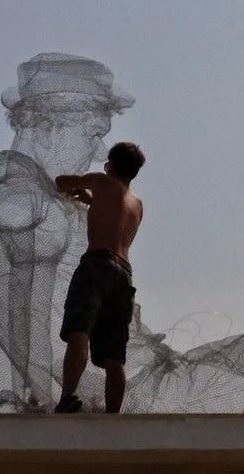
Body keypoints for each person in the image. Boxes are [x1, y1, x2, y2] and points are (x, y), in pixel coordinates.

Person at [53, 142, 145, 413]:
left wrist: (82, 187)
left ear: (111, 165)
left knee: (79, 331)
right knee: (115, 354)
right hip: (123, 275)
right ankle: (113, 417)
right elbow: (115, 215)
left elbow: (62, 183)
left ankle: (67, 396)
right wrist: (94, 201)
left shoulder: (101, 181)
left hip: (97, 264)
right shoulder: (138, 205)